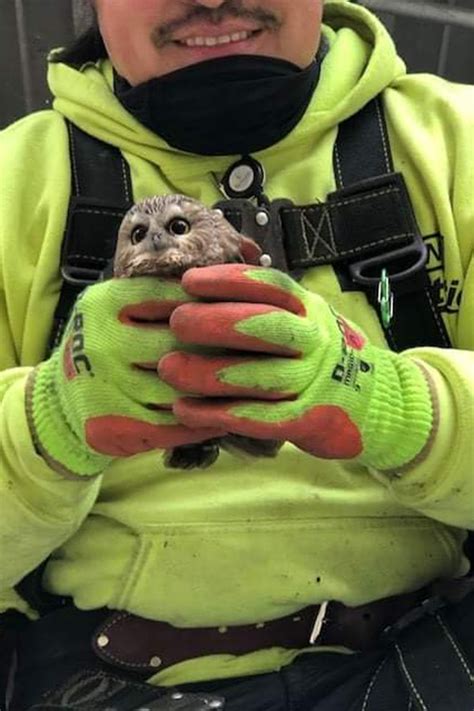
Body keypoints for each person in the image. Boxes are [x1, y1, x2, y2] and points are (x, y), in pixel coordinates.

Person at [0, 0, 473, 709]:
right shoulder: (14, 180)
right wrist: (43, 428)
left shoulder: (457, 140)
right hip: (102, 676)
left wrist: (398, 406)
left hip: (430, 645)